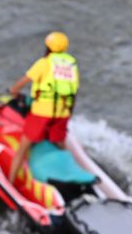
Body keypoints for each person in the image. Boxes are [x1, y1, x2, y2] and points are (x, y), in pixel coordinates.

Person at [7, 31, 79, 184]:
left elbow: (24, 81)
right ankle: (68, 171)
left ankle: (10, 182)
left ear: (47, 47)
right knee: (60, 143)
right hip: (63, 112)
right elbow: (74, 90)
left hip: (42, 112)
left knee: (23, 147)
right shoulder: (71, 65)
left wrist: (13, 91)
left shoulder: (44, 63)